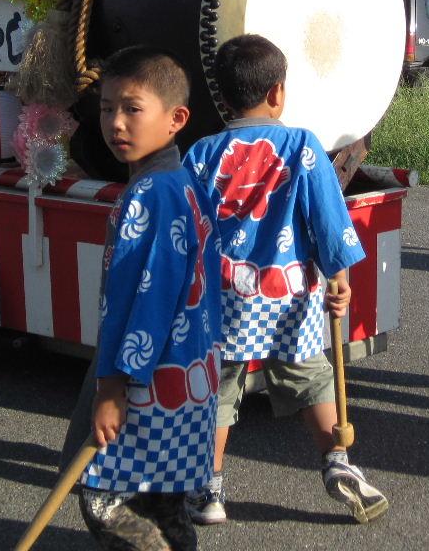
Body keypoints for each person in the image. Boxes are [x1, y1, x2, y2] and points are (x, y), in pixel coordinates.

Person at [182, 34, 389, 526]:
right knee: (311, 378)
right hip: (289, 294)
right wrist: (339, 277)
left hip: (223, 298)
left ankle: (209, 489)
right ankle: (337, 462)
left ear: (222, 96)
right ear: (278, 92)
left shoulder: (203, 153)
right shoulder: (302, 146)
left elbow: (188, 227)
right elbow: (328, 219)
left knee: (217, 391)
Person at [81, 47, 222, 551]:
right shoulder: (183, 183)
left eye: (132, 108)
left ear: (176, 119)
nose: (115, 123)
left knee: (105, 499)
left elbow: (148, 300)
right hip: (191, 375)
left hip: (153, 382)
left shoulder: (150, 193)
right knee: (164, 504)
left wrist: (114, 385)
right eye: (106, 108)